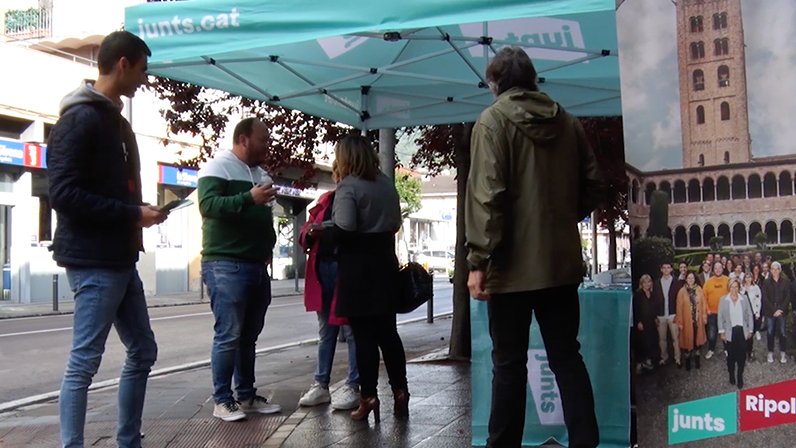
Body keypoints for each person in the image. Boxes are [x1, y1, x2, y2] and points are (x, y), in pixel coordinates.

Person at [465, 47, 604, 448]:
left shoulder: (492, 122)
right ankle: (585, 442)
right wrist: (560, 216)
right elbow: (594, 184)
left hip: (509, 269)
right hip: (559, 264)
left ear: (495, 85)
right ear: (532, 80)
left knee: (508, 364)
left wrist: (478, 261)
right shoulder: (568, 122)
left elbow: (487, 197)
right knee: (566, 356)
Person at [47, 31, 166, 448]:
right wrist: (133, 213)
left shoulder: (115, 122)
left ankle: (128, 440)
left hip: (118, 257)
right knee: (84, 362)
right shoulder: (79, 119)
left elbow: (107, 190)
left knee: (143, 350)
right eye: (142, 70)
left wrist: (138, 210)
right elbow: (62, 194)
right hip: (94, 259)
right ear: (123, 64)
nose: (143, 79)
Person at [198, 118, 282, 421]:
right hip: (225, 262)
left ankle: (245, 395)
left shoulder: (261, 174)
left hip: (255, 264)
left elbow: (264, 217)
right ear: (243, 139)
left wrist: (267, 246)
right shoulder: (217, 167)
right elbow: (208, 206)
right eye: (262, 140)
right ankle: (223, 399)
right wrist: (249, 198)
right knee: (229, 334)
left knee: (248, 335)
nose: (267, 146)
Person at [331, 135, 407, 423]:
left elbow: (346, 227)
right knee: (388, 333)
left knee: (363, 337)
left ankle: (369, 397)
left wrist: (323, 232)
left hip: (358, 272)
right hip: (385, 265)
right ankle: (401, 392)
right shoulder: (386, 183)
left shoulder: (348, 186)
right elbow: (396, 223)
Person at [297, 161, 360, 410]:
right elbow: (306, 229)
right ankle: (321, 384)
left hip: (346, 269)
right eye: (338, 172)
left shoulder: (356, 198)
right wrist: (311, 233)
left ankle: (353, 385)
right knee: (327, 331)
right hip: (323, 268)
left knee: (352, 330)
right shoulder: (326, 198)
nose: (339, 177)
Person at [718, 279, 754, 389]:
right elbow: (720, 317)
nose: (734, 289)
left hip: (742, 331)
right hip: (730, 332)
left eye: (736, 287)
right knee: (731, 356)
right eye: (732, 287)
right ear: (729, 288)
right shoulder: (723, 300)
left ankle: (739, 376)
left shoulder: (744, 298)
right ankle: (731, 374)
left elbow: (749, 314)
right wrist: (722, 332)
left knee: (742, 356)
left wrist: (750, 330)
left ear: (739, 287)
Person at [651, 262, 682, 367]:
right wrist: (655, 316)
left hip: (673, 314)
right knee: (662, 339)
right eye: (664, 268)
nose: (666, 270)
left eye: (668, 267)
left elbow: (679, 300)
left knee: (676, 338)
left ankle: (677, 358)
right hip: (661, 315)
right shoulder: (656, 283)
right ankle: (664, 357)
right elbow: (654, 301)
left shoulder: (676, 282)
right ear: (661, 270)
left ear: (671, 269)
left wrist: (678, 314)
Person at [674, 272, 707, 371]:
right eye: (689, 278)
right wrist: (679, 322)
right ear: (686, 279)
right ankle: (687, 361)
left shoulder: (699, 289)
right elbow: (679, 308)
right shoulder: (682, 291)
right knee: (687, 340)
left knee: (697, 341)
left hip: (697, 320)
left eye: (692, 278)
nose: (691, 279)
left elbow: (704, 304)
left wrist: (704, 316)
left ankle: (697, 360)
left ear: (695, 279)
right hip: (686, 320)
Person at [762, 261, 790, 364]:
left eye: (776, 268)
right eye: (772, 269)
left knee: (782, 333)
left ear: (780, 270)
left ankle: (783, 352)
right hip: (770, 312)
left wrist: (780, 309)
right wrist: (774, 310)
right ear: (770, 270)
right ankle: (770, 352)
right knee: (770, 332)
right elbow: (765, 298)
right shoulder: (766, 282)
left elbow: (787, 297)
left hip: (782, 311)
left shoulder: (786, 282)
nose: (774, 271)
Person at [703, 262, 729, 359]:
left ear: (722, 268)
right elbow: (703, 297)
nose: (718, 270)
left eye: (719, 268)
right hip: (712, 313)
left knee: (725, 332)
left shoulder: (728, 280)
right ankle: (711, 349)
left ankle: (727, 348)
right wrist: (707, 309)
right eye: (716, 268)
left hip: (724, 313)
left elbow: (733, 294)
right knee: (712, 333)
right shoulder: (708, 282)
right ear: (713, 269)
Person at [632, 274, 658, 373]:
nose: (647, 284)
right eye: (645, 282)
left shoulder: (652, 294)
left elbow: (654, 308)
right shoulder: (638, 294)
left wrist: (655, 318)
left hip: (651, 322)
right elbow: (635, 309)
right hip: (642, 322)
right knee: (642, 342)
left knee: (651, 341)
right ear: (641, 284)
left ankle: (648, 361)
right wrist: (638, 321)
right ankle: (640, 363)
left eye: (649, 282)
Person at [741, 273, 762, 359]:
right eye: (746, 277)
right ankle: (743, 350)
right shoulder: (741, 288)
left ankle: (749, 351)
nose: (748, 279)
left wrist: (757, 313)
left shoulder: (756, 288)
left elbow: (758, 300)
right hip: (743, 314)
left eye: (750, 277)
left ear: (752, 278)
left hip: (752, 313)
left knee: (750, 333)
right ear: (744, 278)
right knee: (743, 333)